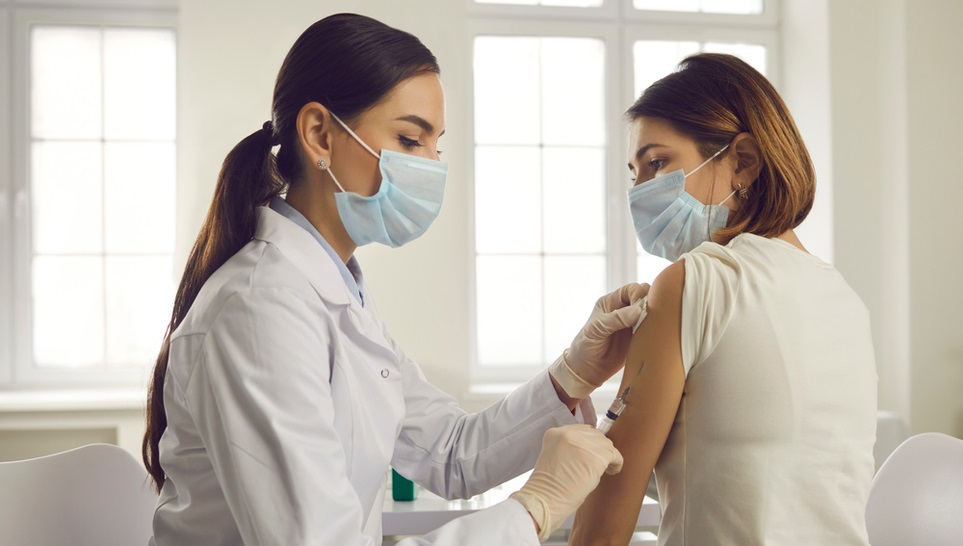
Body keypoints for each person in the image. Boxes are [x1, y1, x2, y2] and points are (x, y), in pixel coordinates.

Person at [142, 13, 647, 546]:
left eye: (436, 147)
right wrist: (534, 507)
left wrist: (572, 373)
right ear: (319, 134)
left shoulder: (337, 291)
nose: (430, 166)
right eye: (410, 140)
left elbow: (451, 451)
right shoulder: (260, 307)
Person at [569, 53, 878, 546]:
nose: (640, 193)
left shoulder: (693, 282)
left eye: (657, 163)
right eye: (635, 174)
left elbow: (609, 508)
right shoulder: (844, 297)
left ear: (743, 161)